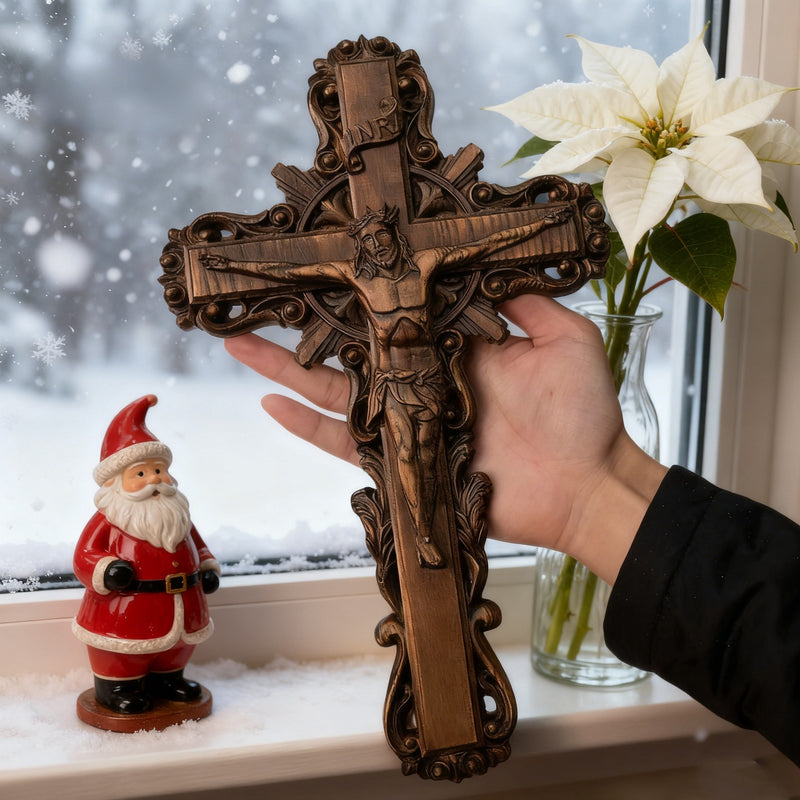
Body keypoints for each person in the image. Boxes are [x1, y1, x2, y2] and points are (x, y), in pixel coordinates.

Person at [225, 293, 800, 768]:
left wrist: (586, 489)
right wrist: (590, 489)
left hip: (432, 409)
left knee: (426, 507)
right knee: (417, 495)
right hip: (405, 413)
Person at [203, 203, 572, 569]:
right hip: (391, 383)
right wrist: (231, 265)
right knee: (406, 453)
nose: (377, 244)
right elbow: (288, 272)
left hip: (429, 378)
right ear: (362, 248)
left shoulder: (426, 265)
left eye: (382, 235)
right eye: (368, 240)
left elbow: (486, 245)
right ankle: (423, 535)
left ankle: (429, 523)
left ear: (395, 236)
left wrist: (542, 223)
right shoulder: (356, 276)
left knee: (429, 454)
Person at [72, 395, 221, 715]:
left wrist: (207, 566)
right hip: (124, 612)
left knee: (177, 649)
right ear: (116, 483)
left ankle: (168, 679)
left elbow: (198, 545)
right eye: (140, 474)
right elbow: (84, 555)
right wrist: (107, 569)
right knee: (122, 653)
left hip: (184, 605)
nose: (154, 479)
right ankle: (117, 687)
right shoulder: (109, 519)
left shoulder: (177, 516)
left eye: (158, 470)